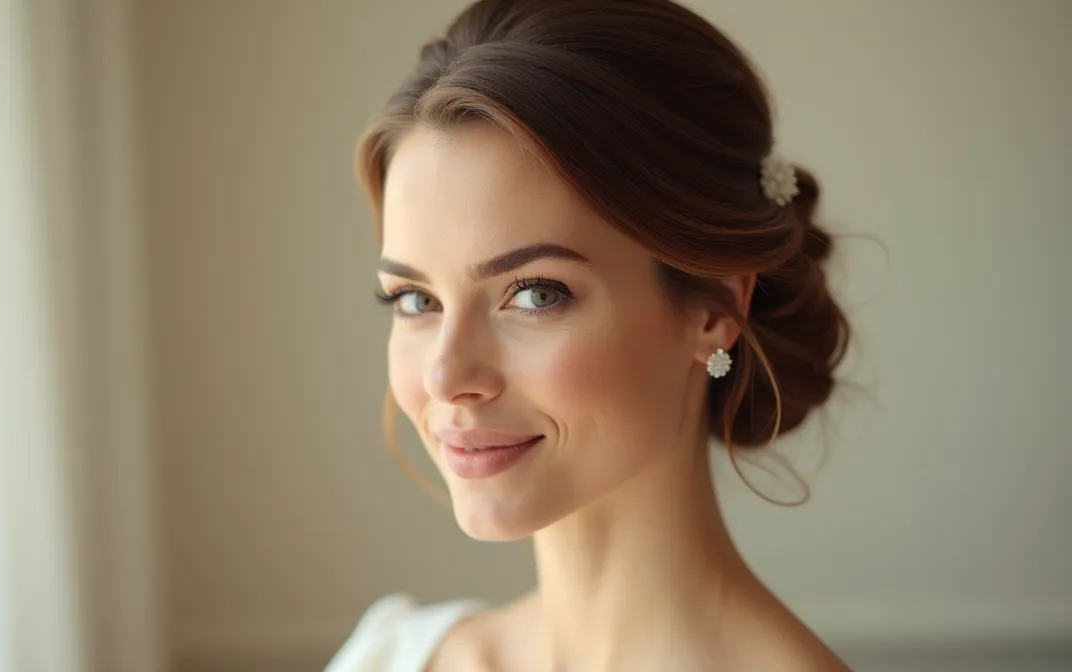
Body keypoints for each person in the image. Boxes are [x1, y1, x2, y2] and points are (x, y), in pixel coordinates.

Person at [325, 0, 852, 669]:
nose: (445, 377)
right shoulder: (391, 658)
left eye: (535, 294)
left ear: (716, 307)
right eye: (415, 299)